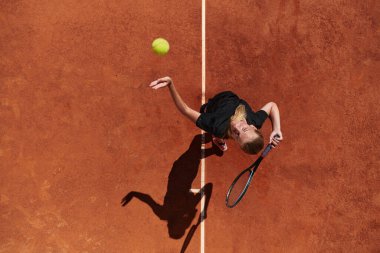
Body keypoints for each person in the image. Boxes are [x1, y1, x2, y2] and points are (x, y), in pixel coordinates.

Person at [149, 76, 283, 154]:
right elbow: (272, 106)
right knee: (219, 131)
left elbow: (185, 110)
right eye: (244, 129)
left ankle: (218, 140)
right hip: (224, 97)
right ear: (254, 127)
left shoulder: (216, 125)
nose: (237, 129)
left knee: (218, 131)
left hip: (212, 111)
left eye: (237, 136)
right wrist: (276, 128)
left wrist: (170, 85)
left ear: (237, 142)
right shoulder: (256, 119)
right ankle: (218, 139)